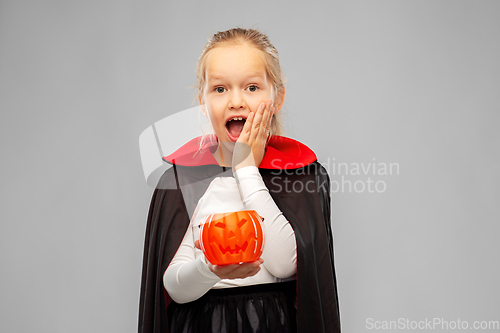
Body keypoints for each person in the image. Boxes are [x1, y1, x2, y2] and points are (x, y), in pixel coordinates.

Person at [138, 27, 341, 333]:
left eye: (251, 88)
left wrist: (246, 169)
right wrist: (210, 269)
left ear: (278, 98)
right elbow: (173, 286)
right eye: (220, 89)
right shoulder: (182, 180)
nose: (236, 101)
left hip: (274, 323)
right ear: (203, 102)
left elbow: (286, 263)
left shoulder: (302, 176)